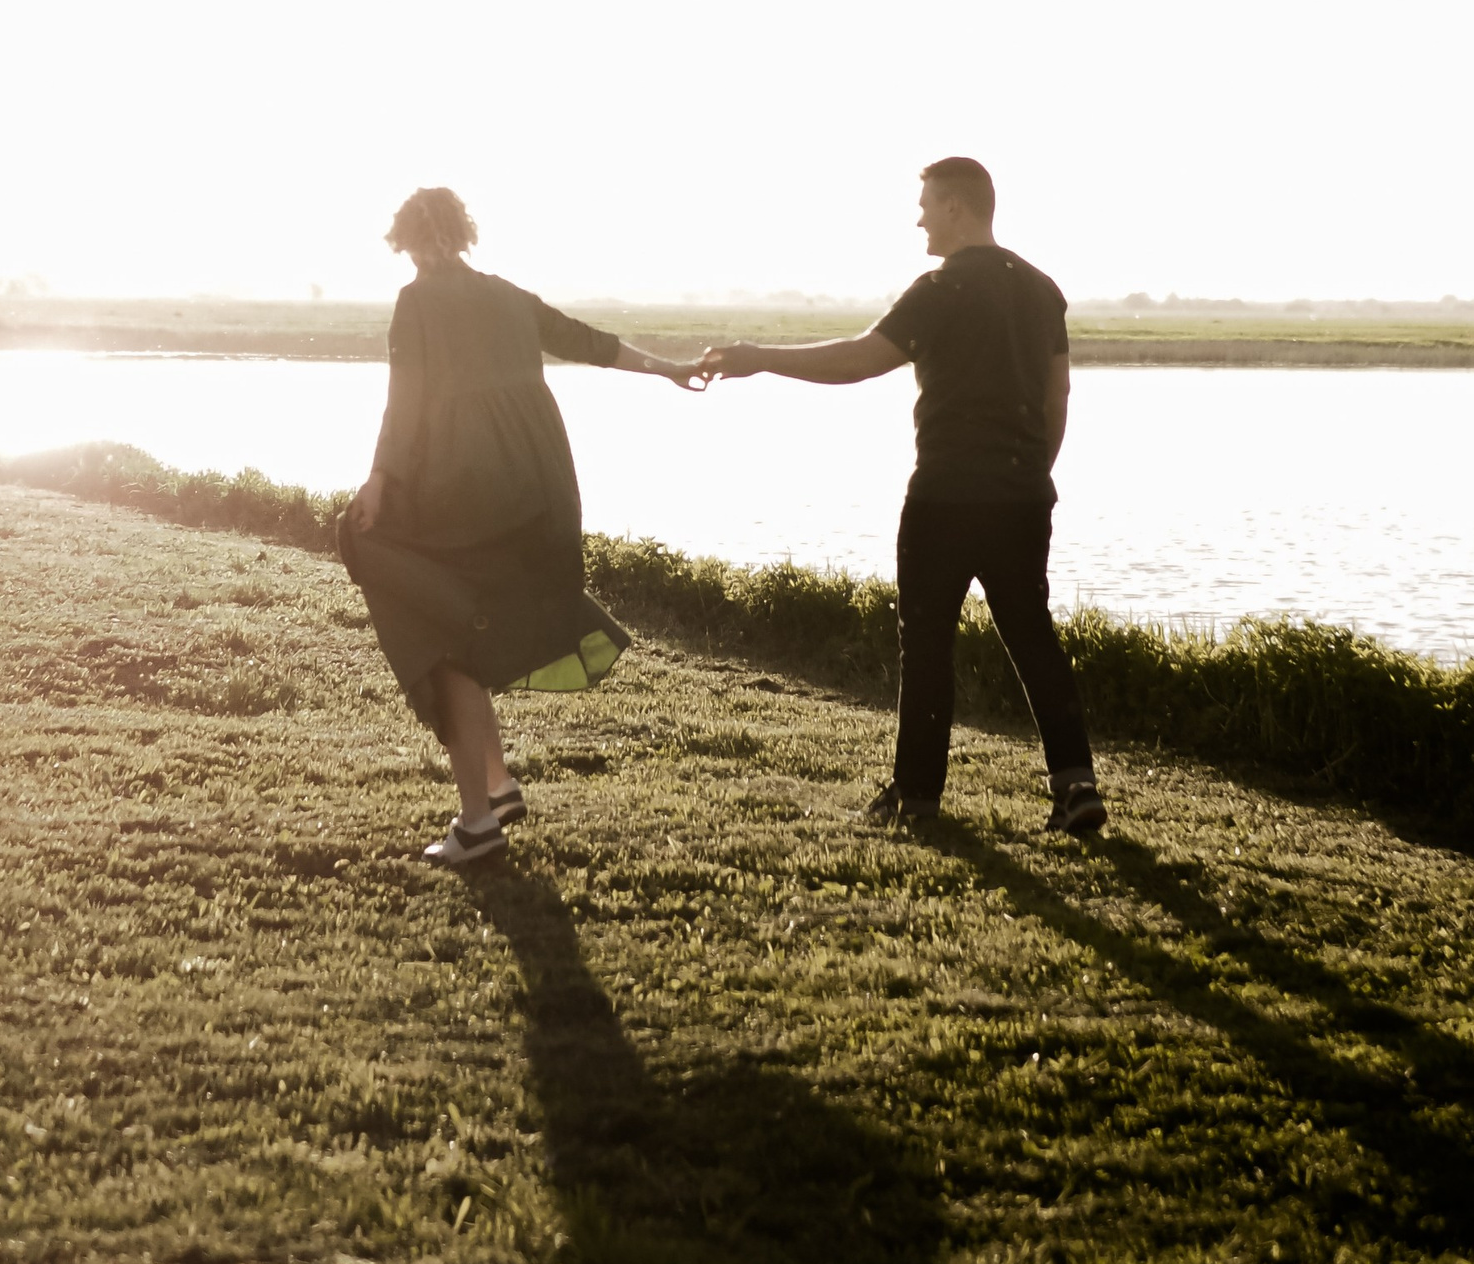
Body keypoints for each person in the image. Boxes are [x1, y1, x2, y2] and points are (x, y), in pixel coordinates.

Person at [700, 158, 1105, 836]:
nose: (918, 217)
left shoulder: (938, 288)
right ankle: (1077, 786)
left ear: (955, 207)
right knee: (1034, 637)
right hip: (1022, 494)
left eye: (925, 204)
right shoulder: (1041, 289)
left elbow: (860, 358)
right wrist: (1034, 474)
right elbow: (1056, 393)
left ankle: (916, 796)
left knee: (926, 643)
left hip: (944, 495)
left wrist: (760, 356)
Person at [342, 186, 699, 872]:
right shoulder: (507, 294)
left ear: (407, 241)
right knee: (472, 618)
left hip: (459, 477)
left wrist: (380, 478)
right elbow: (590, 343)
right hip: (535, 479)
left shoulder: (416, 300)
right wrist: (669, 369)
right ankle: (498, 786)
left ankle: (477, 822)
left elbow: (405, 397)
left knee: (438, 627)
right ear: (464, 233)